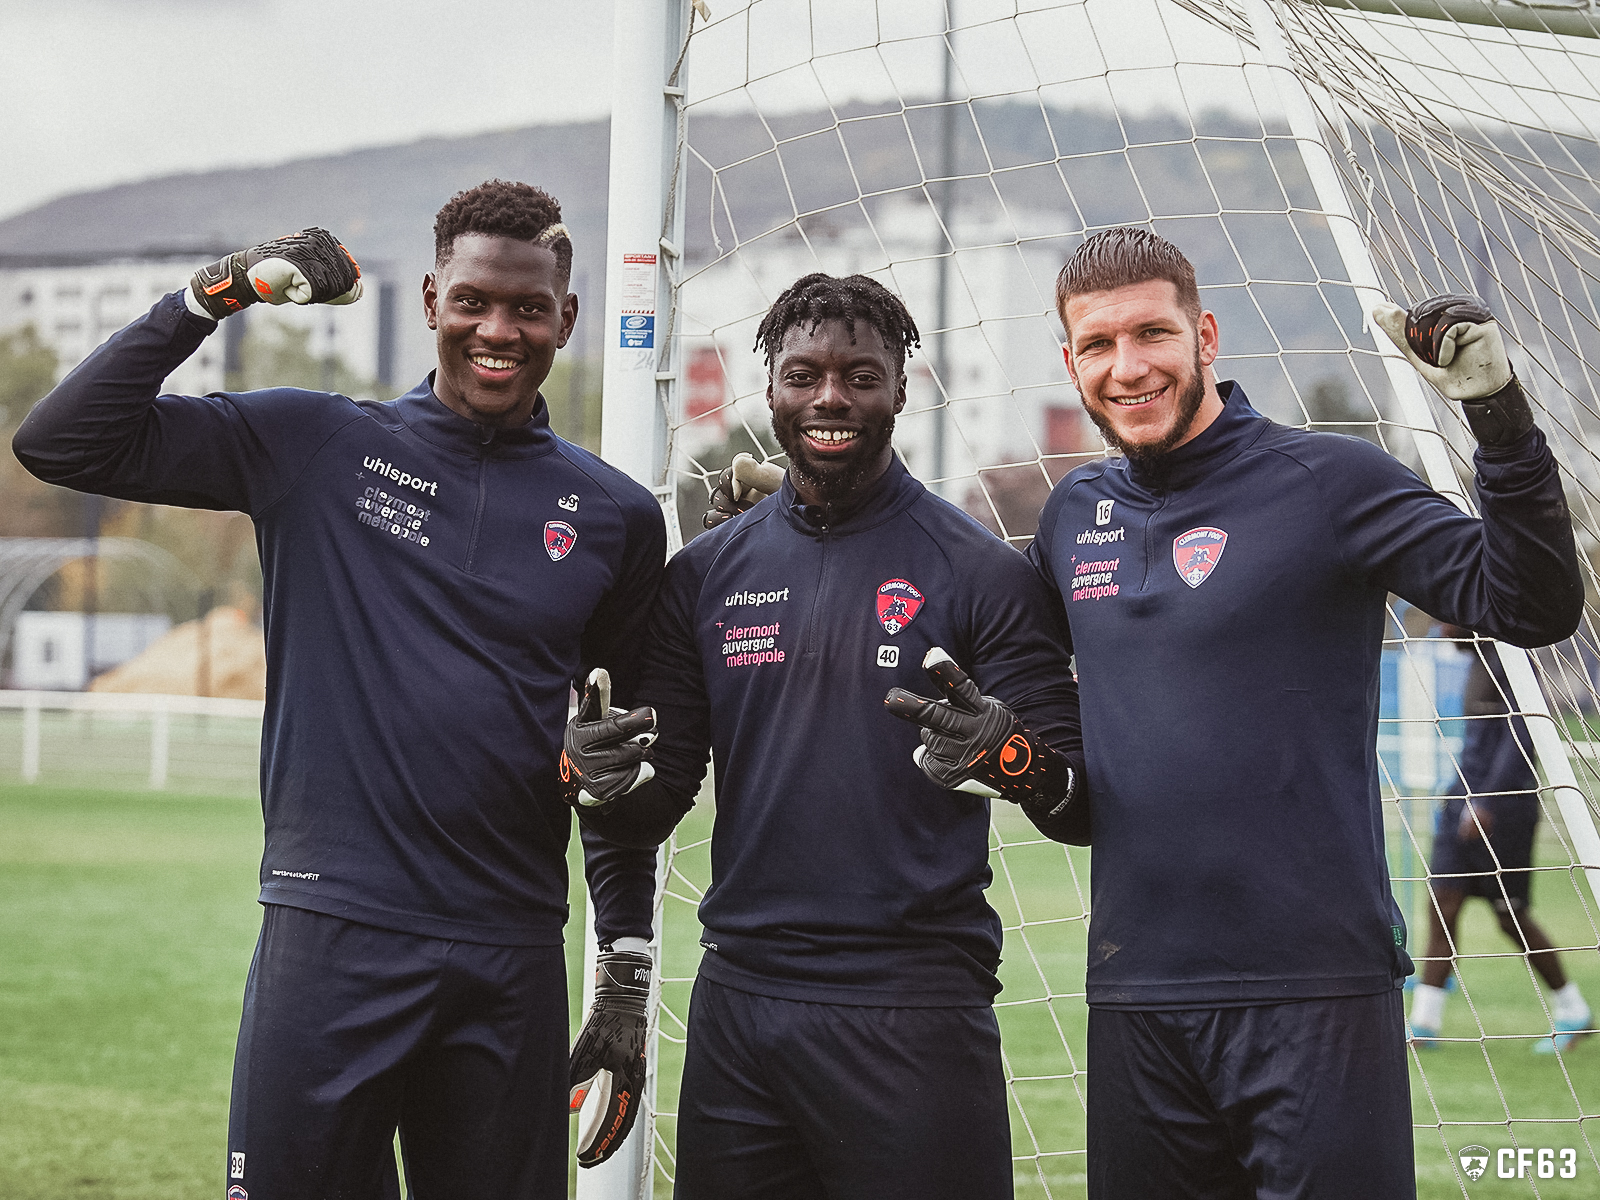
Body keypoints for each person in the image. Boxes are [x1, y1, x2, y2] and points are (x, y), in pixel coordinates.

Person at [12, 181, 666, 1199]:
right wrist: (215, 295)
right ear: (433, 302)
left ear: (566, 319)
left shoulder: (619, 519)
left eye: (528, 309)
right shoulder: (316, 445)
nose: (499, 330)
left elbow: (615, 769)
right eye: (474, 302)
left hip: (510, 954)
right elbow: (63, 440)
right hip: (332, 938)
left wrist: (623, 975)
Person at [1024, 227, 1582, 1199]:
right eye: (1099, 346)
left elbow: (1533, 605)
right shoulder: (1072, 518)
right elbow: (1047, 748)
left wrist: (1496, 418)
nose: (1128, 366)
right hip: (1136, 994)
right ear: (1068, 361)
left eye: (1151, 334)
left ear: (1204, 336)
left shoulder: (1329, 483)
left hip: (1315, 987)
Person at [556, 272, 1088, 1200]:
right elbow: (654, 802)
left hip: (915, 1008)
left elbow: (1081, 803)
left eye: (860, 375)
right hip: (741, 1009)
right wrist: (597, 776)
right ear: (771, 388)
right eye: (804, 375)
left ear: (902, 387)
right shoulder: (707, 574)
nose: (831, 397)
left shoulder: (982, 575)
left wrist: (1012, 756)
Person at [1409, 631, 1592, 1053]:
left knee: (1511, 917)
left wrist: (1488, 801)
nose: (1441, 629)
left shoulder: (1513, 661)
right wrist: (1460, 798)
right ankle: (1423, 1025)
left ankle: (1573, 1010)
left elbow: (1521, 739)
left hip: (1502, 811)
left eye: (1449, 619)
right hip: (1461, 800)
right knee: (1442, 903)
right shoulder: (1476, 661)